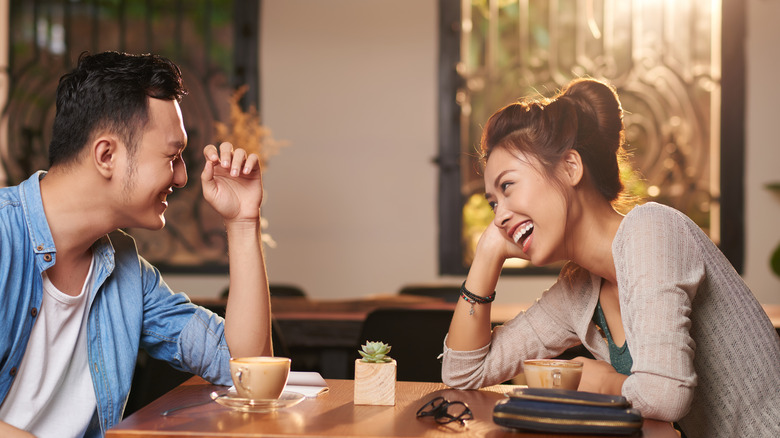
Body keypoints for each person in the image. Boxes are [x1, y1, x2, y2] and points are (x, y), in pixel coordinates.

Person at [441, 78, 780, 438]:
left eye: (507, 186)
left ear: (570, 167)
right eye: (493, 204)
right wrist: (488, 254)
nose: (499, 217)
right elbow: (463, 373)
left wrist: (603, 383)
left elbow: (665, 394)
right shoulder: (578, 290)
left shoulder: (652, 231)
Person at [0, 51, 272, 438]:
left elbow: (246, 370)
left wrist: (243, 222)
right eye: (172, 156)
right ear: (107, 155)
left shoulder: (126, 270)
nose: (182, 178)